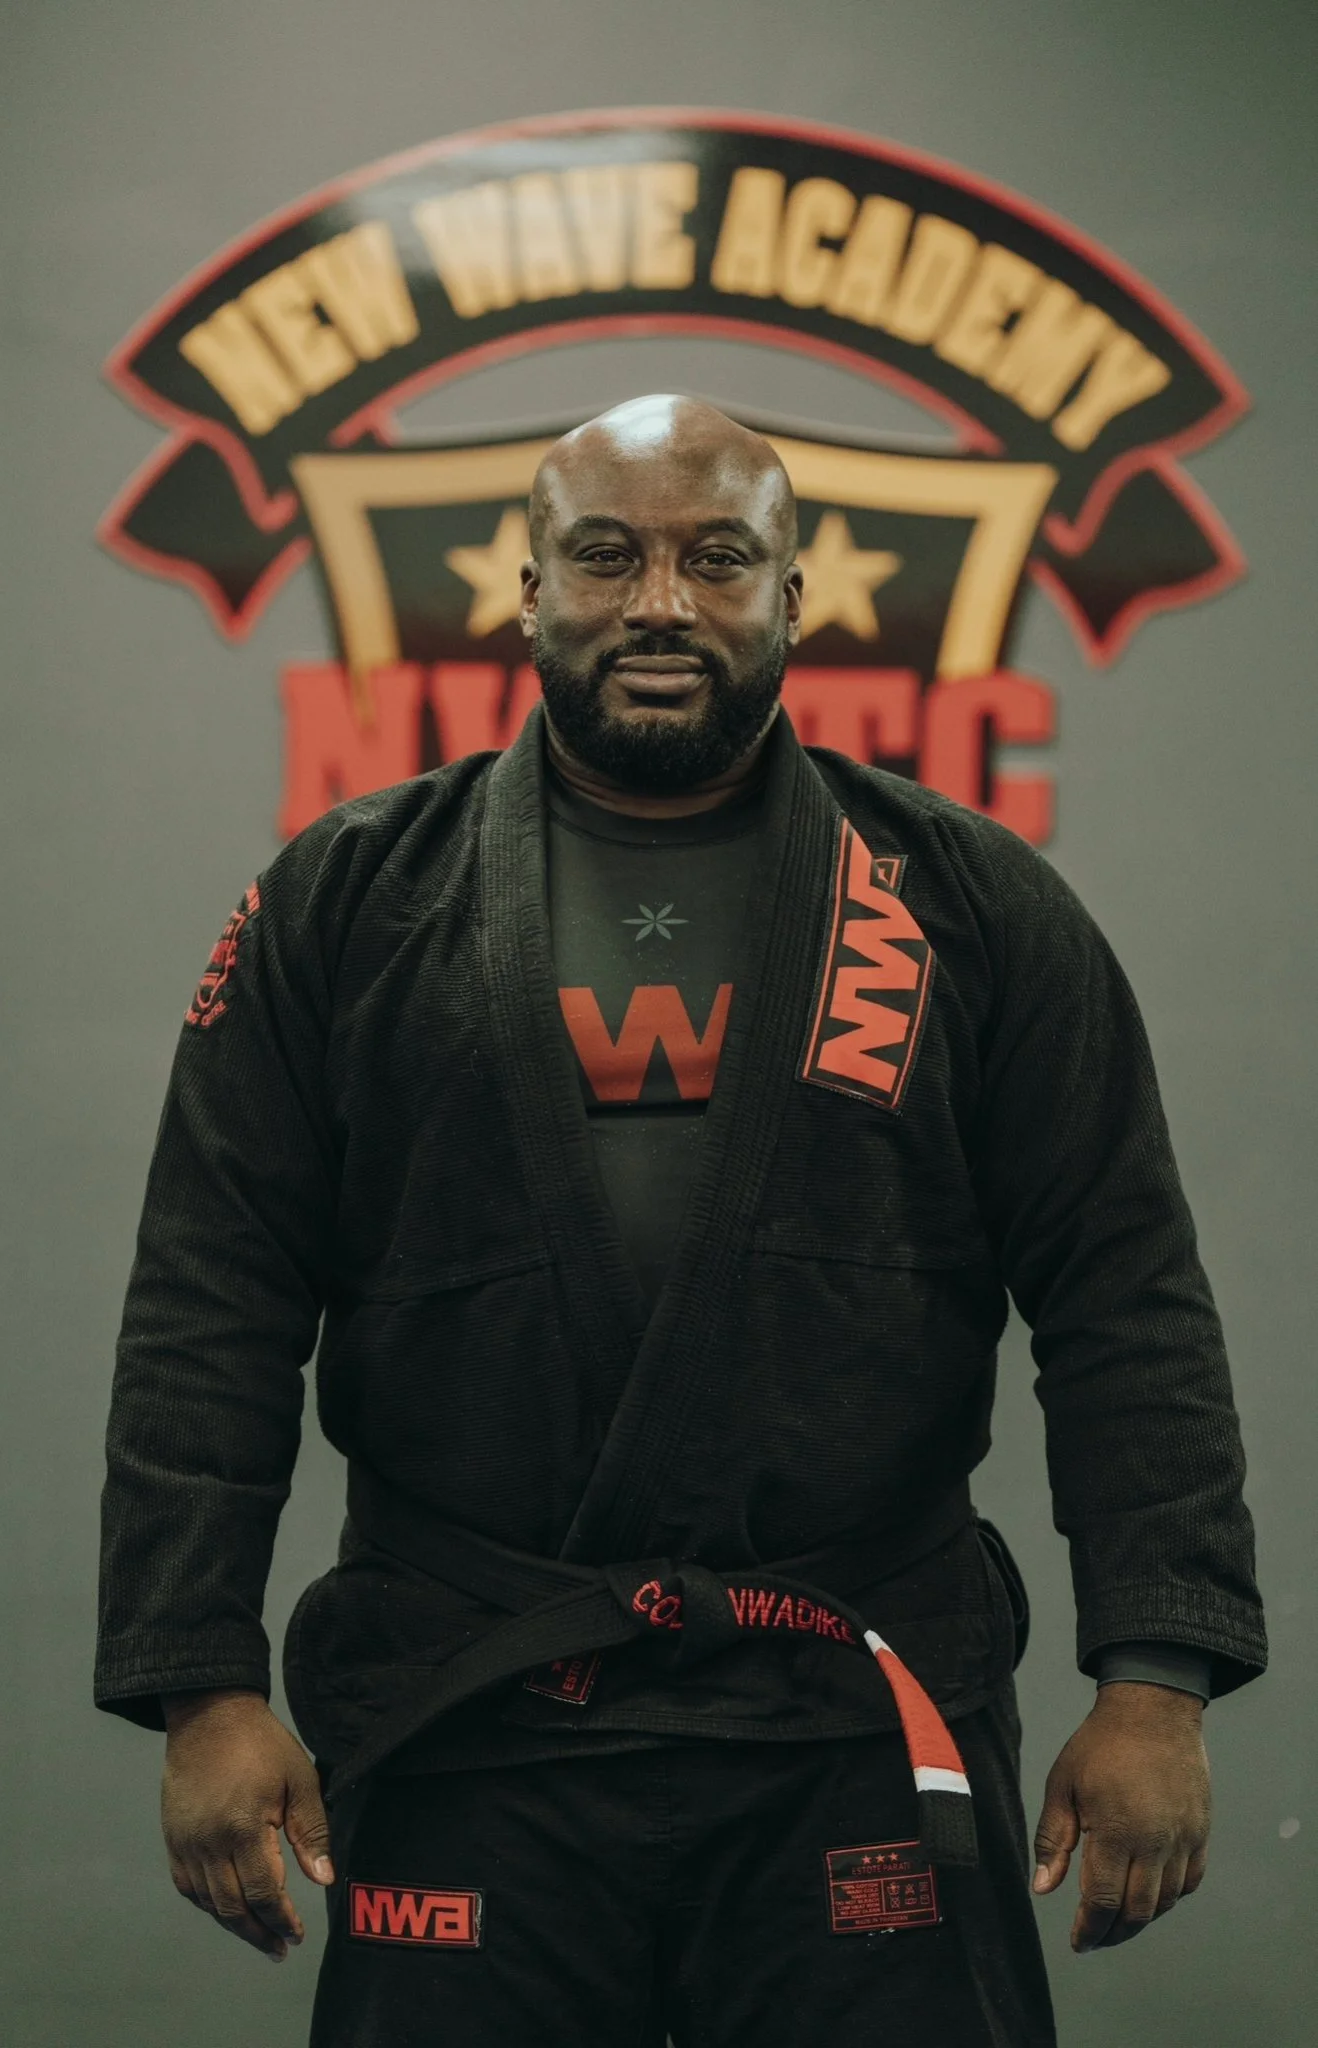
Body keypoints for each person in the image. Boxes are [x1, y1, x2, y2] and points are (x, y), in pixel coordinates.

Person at [96, 395, 1265, 2046]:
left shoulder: (967, 902)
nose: (659, 601)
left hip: (852, 1707)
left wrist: (1155, 1682)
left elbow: (1124, 1296)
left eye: (718, 558)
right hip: (470, 1701)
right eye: (605, 555)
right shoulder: (347, 901)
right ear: (524, 590)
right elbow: (206, 1302)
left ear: (794, 598)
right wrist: (200, 1684)